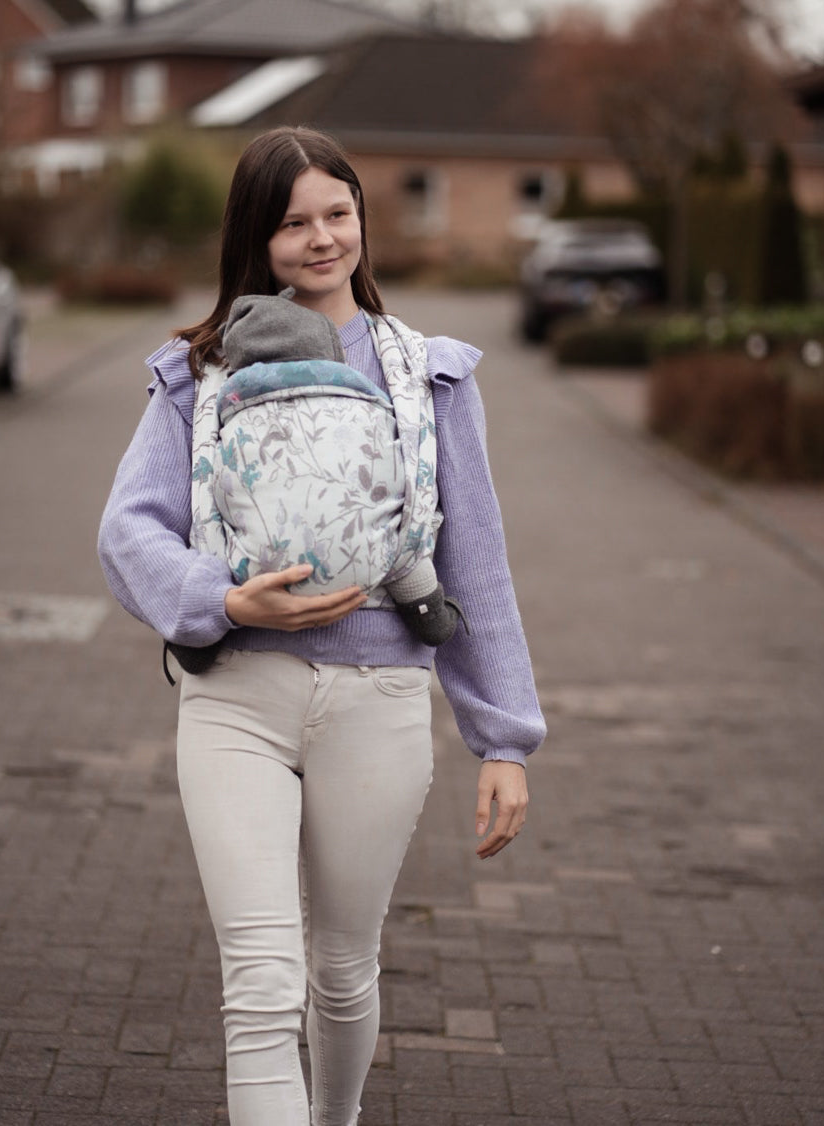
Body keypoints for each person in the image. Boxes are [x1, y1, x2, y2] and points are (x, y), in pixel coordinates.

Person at [98, 126, 546, 1126]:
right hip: (235, 705)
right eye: (292, 222)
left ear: (360, 218)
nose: (319, 237)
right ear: (255, 240)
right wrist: (219, 598)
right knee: (261, 982)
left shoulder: (428, 376)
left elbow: (474, 558)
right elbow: (127, 530)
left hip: (378, 708)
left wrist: (503, 736)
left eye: (336, 213)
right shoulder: (194, 370)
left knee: (341, 971)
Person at [166, 287, 464, 678]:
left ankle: (198, 642)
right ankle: (427, 609)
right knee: (399, 533)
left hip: (252, 584)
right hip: (369, 571)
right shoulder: (368, 392)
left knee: (217, 526)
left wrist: (215, 604)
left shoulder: (222, 400)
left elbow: (210, 504)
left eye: (337, 218)